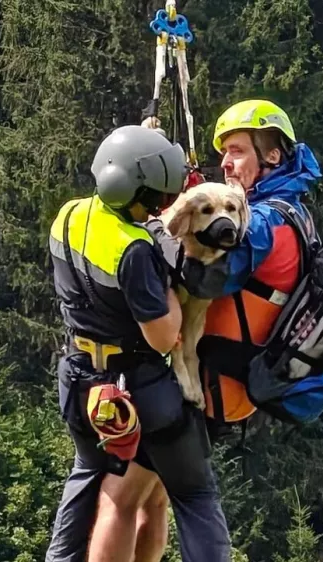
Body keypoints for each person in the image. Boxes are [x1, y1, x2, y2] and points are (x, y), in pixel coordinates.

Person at [44, 124, 232, 562]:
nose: (163, 206)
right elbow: (165, 335)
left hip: (78, 377)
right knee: (194, 493)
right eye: (157, 197)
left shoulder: (69, 214)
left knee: (88, 472)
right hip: (139, 386)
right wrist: (171, 282)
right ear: (139, 195)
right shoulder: (135, 250)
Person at [146, 98, 323, 435]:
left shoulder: (263, 223)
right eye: (224, 152)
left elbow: (200, 280)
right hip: (225, 383)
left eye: (237, 151)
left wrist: (155, 227)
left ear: (272, 156)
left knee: (138, 483)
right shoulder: (289, 209)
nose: (225, 163)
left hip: (207, 385)